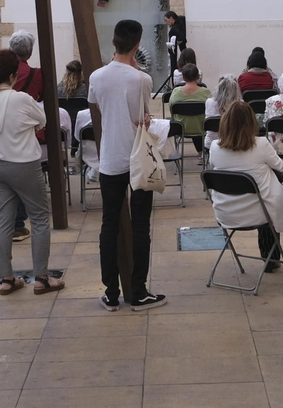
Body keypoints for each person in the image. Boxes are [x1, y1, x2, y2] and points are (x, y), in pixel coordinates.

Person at [90, 18, 166, 311]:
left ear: (113, 42)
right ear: (137, 45)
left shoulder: (97, 77)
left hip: (110, 158)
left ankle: (110, 293)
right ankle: (138, 290)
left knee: (109, 224)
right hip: (138, 159)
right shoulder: (141, 79)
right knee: (141, 225)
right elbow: (144, 115)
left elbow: (97, 105)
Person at [0, 50, 60, 295]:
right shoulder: (20, 99)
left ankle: (7, 278)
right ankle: (42, 278)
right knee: (40, 218)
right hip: (23, 164)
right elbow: (41, 120)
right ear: (13, 75)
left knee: (3, 220)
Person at [208, 99, 283, 273]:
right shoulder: (261, 144)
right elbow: (281, 167)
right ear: (251, 122)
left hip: (226, 211)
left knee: (262, 186)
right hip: (259, 211)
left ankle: (270, 256)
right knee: (271, 183)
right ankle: (270, 257)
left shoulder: (215, 147)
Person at [168, 63, 211, 160]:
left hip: (182, 129)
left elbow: (171, 110)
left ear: (183, 77)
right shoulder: (206, 92)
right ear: (198, 76)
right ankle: (203, 153)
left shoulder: (176, 92)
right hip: (201, 128)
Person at [203, 76, 240, 154]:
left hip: (211, 144)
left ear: (219, 88)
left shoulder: (209, 102)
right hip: (235, 144)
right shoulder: (241, 104)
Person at [8, 30, 44, 101]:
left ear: (10, 49)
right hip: (26, 111)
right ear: (30, 52)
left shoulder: (0, 69)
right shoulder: (37, 74)